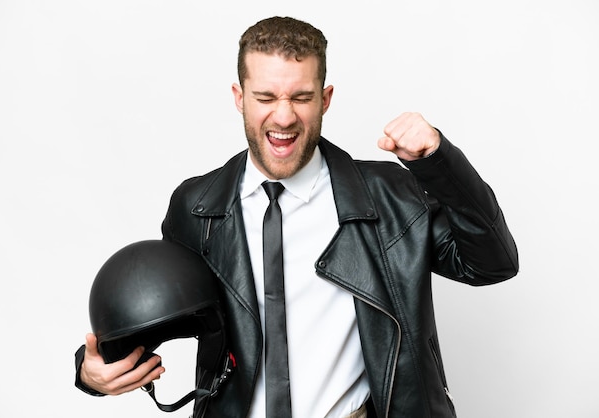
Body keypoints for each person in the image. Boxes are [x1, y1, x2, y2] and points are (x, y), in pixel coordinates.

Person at [75, 16, 519, 418]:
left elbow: (492, 262)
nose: (284, 116)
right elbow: (154, 315)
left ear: (325, 99)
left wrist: (439, 162)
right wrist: (90, 371)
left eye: (301, 97)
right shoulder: (196, 208)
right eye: (265, 96)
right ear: (239, 97)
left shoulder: (390, 198)